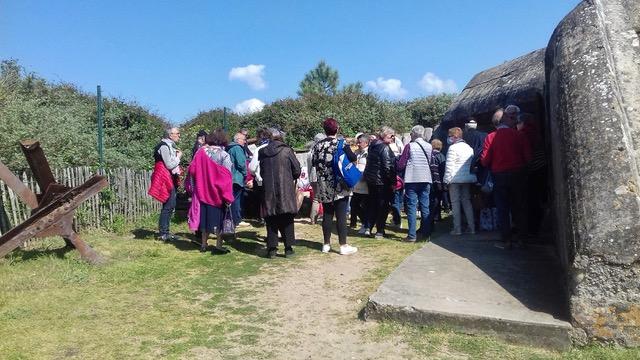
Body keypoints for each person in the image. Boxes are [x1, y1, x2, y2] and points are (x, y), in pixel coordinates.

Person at [481, 105, 532, 248]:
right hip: (518, 174)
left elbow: (485, 160)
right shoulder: (519, 135)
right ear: (507, 119)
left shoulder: (490, 137)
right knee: (520, 206)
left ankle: (506, 240)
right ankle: (522, 238)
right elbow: (528, 157)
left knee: (503, 208)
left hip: (499, 175)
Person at [311, 118, 358, 255]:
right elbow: (353, 158)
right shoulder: (341, 144)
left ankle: (326, 244)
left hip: (324, 184)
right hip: (339, 184)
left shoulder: (317, 146)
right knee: (341, 215)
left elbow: (314, 163)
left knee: (327, 214)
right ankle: (343, 245)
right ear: (337, 129)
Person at [187, 129, 234, 254]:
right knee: (220, 219)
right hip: (217, 192)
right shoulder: (224, 155)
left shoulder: (200, 152)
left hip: (202, 191)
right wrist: (228, 195)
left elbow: (192, 170)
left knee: (205, 218)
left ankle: (203, 244)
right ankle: (218, 244)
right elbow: (227, 175)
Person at [259, 128, 301, 258]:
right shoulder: (287, 150)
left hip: (268, 190)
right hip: (285, 188)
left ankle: (272, 249)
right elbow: (297, 170)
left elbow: (261, 172)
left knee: (271, 219)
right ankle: (288, 248)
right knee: (287, 219)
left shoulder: (263, 152)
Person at [397, 125, 433, 241]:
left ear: (413, 134)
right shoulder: (429, 146)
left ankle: (412, 235)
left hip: (412, 178)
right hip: (426, 178)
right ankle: (426, 233)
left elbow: (401, 164)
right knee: (425, 206)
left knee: (412, 207)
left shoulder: (409, 146)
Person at [363, 126, 397, 239]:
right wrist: (393, 182)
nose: (393, 138)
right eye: (391, 135)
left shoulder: (372, 146)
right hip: (382, 181)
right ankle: (380, 231)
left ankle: (368, 227)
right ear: (384, 135)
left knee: (372, 204)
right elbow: (388, 167)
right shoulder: (384, 148)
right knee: (382, 207)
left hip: (371, 180)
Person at [149, 127, 182, 242]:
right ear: (170, 135)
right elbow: (169, 164)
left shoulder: (169, 146)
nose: (179, 135)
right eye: (177, 133)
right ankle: (163, 233)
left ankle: (165, 232)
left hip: (168, 177)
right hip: (164, 177)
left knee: (170, 205)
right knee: (169, 205)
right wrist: (178, 158)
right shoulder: (163, 146)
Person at [444, 127, 477, 235]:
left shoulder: (453, 148)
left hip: (455, 179)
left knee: (455, 203)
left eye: (450, 136)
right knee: (467, 202)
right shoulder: (469, 148)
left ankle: (457, 229)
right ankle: (472, 228)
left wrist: (446, 180)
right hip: (467, 178)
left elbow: (449, 166)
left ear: (455, 136)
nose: (448, 138)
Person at [227, 132, 250, 227]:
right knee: (236, 200)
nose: (245, 141)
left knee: (233, 199)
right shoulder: (237, 148)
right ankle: (236, 220)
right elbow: (241, 163)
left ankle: (234, 219)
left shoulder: (230, 148)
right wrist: (245, 174)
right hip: (237, 178)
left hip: (231, 177)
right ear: (238, 140)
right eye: (243, 139)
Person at [351, 133, 370, 235]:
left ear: (366, 143)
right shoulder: (356, 153)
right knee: (354, 205)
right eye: (357, 142)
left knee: (365, 206)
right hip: (356, 183)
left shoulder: (369, 153)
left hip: (365, 183)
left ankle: (367, 226)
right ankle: (364, 223)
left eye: (360, 142)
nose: (358, 144)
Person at [306, 133, 326, 224]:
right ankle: (314, 219)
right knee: (318, 198)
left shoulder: (310, 151)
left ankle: (315, 218)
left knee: (316, 197)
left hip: (312, 176)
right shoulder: (321, 151)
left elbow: (309, 167)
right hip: (320, 176)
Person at [429, 139, 447, 225]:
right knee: (438, 199)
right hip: (439, 180)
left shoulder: (430, 155)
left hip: (431, 179)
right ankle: (437, 215)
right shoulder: (441, 156)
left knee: (433, 198)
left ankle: (433, 215)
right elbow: (443, 169)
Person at [388, 135, 404, 229]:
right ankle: (396, 220)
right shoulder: (401, 159)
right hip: (401, 183)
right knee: (398, 202)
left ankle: (397, 221)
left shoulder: (393, 160)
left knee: (395, 203)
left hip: (395, 183)